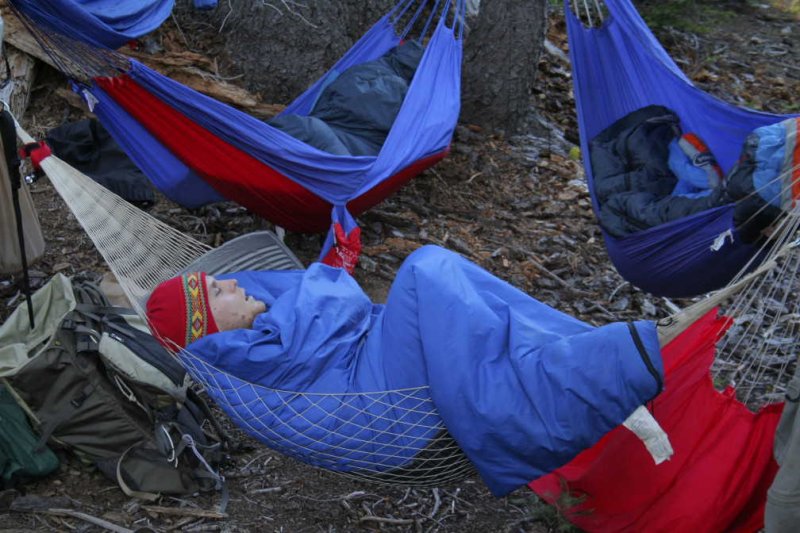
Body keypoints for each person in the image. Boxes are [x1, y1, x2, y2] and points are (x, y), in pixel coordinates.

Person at [146, 245, 664, 497]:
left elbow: (328, 298)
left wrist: (326, 279)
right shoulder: (243, 355)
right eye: (219, 293)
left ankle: (586, 359)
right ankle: (578, 377)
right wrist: (327, 280)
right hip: (383, 414)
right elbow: (333, 300)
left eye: (221, 281)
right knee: (426, 270)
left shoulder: (247, 340)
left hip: (368, 381)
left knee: (452, 284)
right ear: (209, 327)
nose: (234, 285)